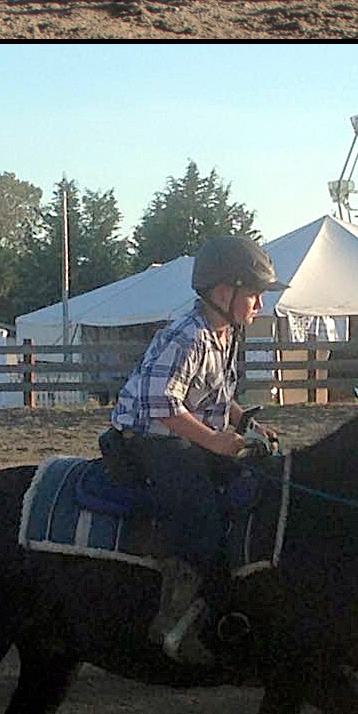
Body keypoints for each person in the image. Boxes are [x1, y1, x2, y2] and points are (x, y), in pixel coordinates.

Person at [105, 235, 280, 664]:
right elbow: (161, 404)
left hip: (185, 431)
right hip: (148, 438)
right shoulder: (187, 335)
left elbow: (216, 397)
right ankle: (171, 617)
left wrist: (244, 423)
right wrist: (217, 442)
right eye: (254, 295)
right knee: (200, 514)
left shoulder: (226, 334)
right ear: (224, 293)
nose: (260, 305)